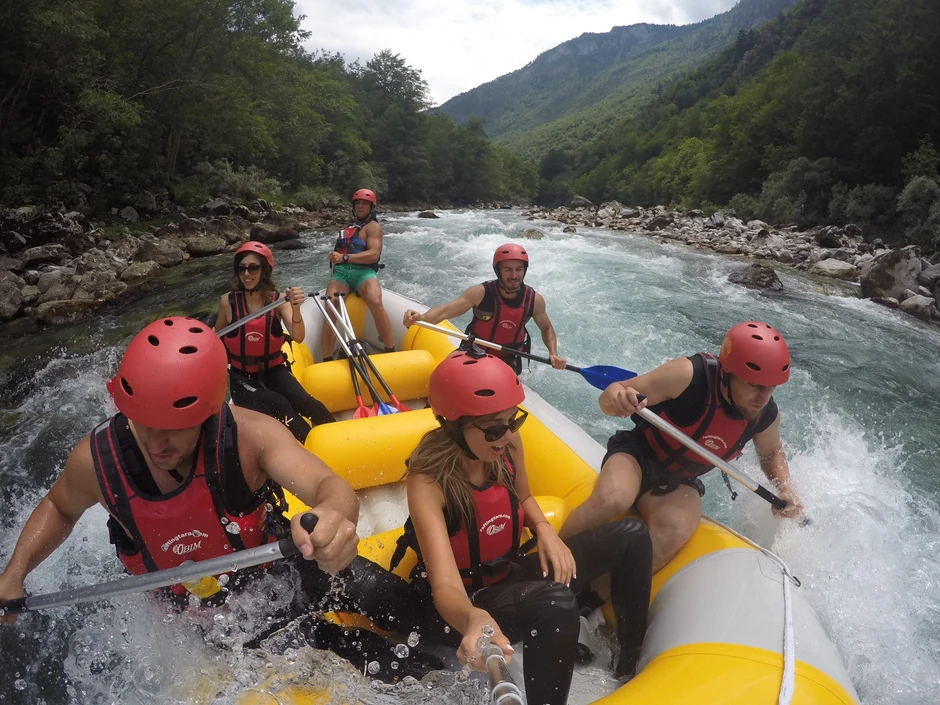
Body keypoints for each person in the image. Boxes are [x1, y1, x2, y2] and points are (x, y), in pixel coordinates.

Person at [0, 318, 416, 673]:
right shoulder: (94, 462)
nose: (156, 445)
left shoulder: (252, 435)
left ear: (209, 411)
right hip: (193, 618)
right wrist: (15, 572)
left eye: (174, 427)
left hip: (275, 574)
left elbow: (329, 486)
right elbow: (59, 507)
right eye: (144, 422)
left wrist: (334, 515)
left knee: (404, 611)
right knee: (341, 651)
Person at [391, 351, 652, 703]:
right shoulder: (427, 482)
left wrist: (545, 530)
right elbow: (446, 587)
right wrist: (472, 617)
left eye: (512, 420)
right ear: (453, 424)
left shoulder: (509, 444)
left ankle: (629, 664)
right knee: (557, 600)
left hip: (508, 574)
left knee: (632, 537)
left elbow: (524, 496)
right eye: (493, 428)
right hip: (464, 604)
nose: (506, 435)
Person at [561, 321, 806, 573]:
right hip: (637, 454)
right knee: (614, 499)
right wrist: (617, 399)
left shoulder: (765, 416)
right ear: (726, 373)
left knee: (674, 531)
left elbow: (771, 453)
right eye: (754, 385)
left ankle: (598, 593)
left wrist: (785, 487)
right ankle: (548, 561)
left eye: (771, 387)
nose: (763, 398)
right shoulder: (688, 375)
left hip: (679, 480)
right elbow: (615, 391)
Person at [215, 241, 335, 443]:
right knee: (278, 403)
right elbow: (216, 334)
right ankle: (314, 448)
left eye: (253, 268)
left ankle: (339, 440)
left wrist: (295, 308)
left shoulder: (279, 301)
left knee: (307, 403)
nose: (246, 274)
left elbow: (298, 336)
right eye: (242, 269)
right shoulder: (228, 302)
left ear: (265, 271)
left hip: (274, 370)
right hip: (242, 378)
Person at [402, 243, 565, 375]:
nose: (514, 275)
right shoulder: (480, 293)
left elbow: (546, 328)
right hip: (472, 350)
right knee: (444, 376)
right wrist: (421, 319)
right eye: (508, 269)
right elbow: (445, 311)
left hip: (507, 358)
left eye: (519, 269)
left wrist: (553, 353)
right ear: (498, 270)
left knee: (494, 388)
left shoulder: (534, 300)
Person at [322, 189, 394, 360]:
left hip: (364, 272)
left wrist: (345, 257)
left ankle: (390, 349)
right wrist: (335, 256)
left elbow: (373, 254)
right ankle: (326, 358)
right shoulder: (348, 228)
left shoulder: (373, 227)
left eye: (364, 204)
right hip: (342, 273)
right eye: (358, 203)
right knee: (331, 306)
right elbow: (340, 253)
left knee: (375, 300)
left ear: (371, 207)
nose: (360, 206)